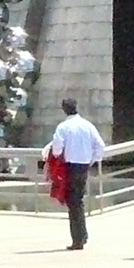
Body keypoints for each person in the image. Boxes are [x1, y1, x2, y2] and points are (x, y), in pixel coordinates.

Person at [47, 98, 105, 250]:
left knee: (73, 203)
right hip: (83, 166)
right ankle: (82, 236)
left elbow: (57, 149)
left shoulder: (63, 127)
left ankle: (78, 239)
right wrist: (91, 160)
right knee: (78, 201)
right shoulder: (88, 125)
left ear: (64, 109)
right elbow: (100, 145)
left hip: (70, 166)